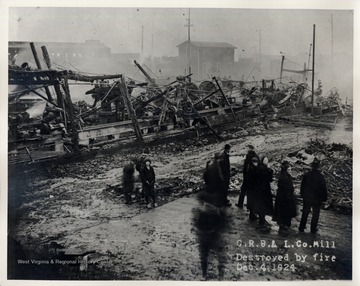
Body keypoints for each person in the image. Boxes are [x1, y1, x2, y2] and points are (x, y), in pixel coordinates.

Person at [298, 158, 328, 234]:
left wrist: (302, 194)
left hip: (307, 198)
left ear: (312, 166)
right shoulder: (321, 176)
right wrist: (325, 198)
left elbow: (302, 186)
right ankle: (313, 229)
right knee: (315, 215)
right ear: (318, 167)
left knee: (305, 213)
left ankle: (301, 227)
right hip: (317, 199)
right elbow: (323, 188)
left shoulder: (307, 175)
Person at [273, 161, 297, 232]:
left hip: (282, 197)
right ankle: (284, 225)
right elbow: (287, 188)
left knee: (283, 212)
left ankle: (282, 224)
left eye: (290, 170)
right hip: (285, 197)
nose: (290, 171)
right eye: (289, 170)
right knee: (285, 211)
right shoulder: (285, 177)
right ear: (286, 170)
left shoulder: (284, 176)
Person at [254, 157, 274, 228]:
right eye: (265, 160)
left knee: (262, 205)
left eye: (267, 160)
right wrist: (269, 169)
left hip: (262, 189)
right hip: (263, 190)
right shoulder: (263, 169)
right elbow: (270, 178)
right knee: (263, 205)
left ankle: (262, 219)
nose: (267, 162)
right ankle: (261, 221)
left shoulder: (260, 168)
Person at [246, 156, 261, 220]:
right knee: (252, 201)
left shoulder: (250, 168)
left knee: (251, 201)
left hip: (250, 188)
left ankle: (252, 213)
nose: (256, 164)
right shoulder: (252, 169)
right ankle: (252, 214)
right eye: (255, 162)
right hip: (252, 188)